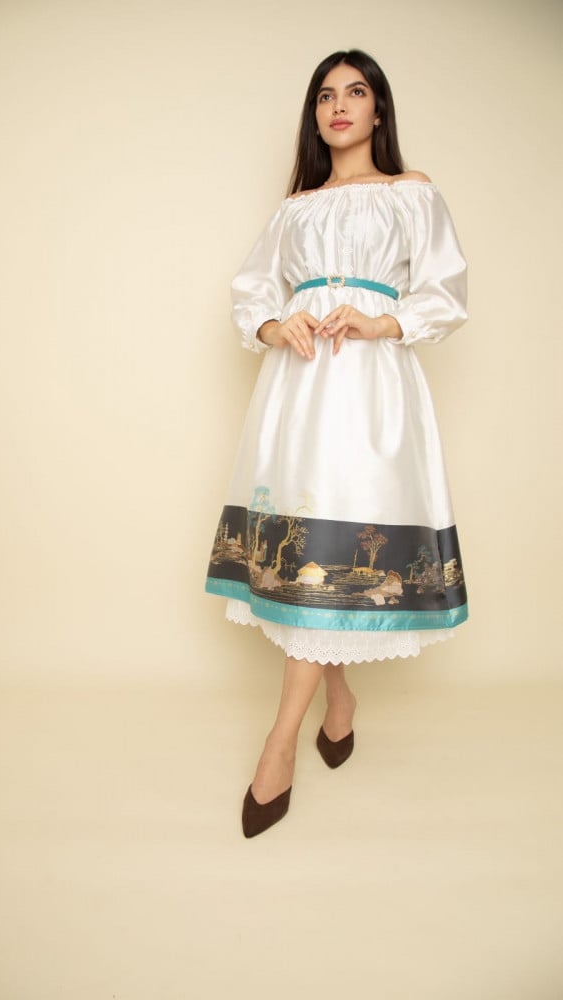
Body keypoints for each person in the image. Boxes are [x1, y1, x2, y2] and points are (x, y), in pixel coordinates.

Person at [205, 50, 468, 838]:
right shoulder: (295, 209)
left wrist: (382, 321)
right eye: (325, 95)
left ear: (378, 109)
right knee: (305, 554)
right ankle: (339, 696)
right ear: (314, 114)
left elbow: (446, 292)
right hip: (298, 389)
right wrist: (273, 324)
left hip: (372, 387)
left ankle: (279, 742)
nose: (339, 106)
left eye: (355, 92)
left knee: (347, 546)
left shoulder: (411, 192)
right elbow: (252, 289)